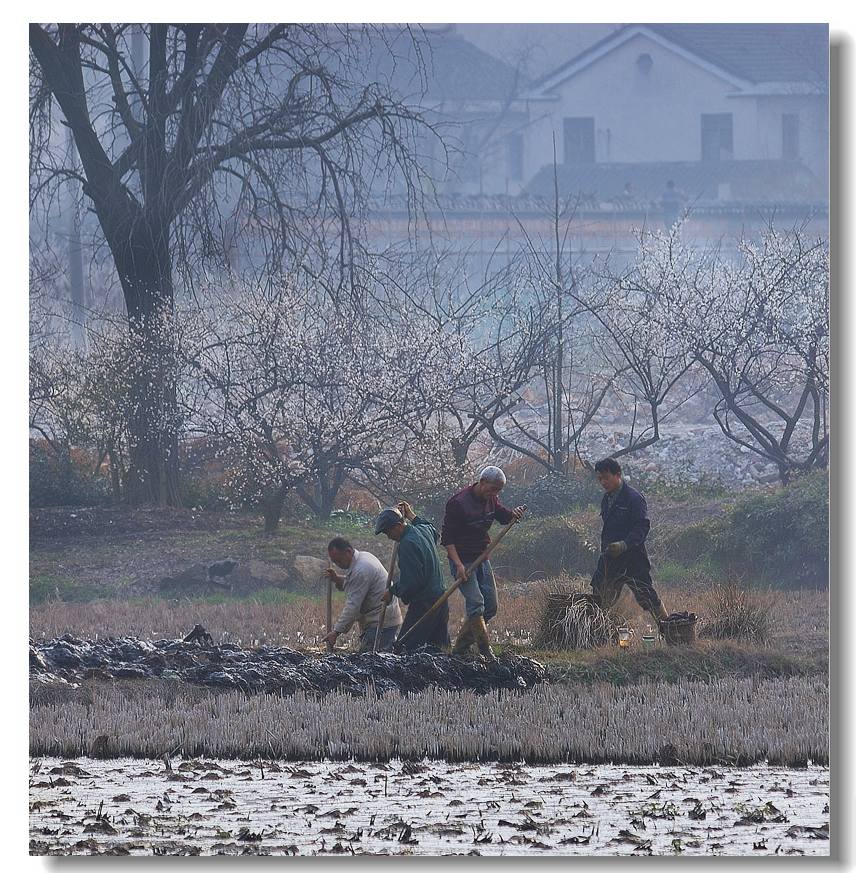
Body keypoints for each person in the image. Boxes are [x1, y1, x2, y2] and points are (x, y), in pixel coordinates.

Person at [440, 466, 526, 660]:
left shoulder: (491, 500)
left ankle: (461, 648)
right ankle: (485, 651)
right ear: (483, 481)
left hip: (482, 558)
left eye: (498, 491)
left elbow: (504, 516)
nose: (495, 494)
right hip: (462, 560)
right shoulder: (458, 503)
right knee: (476, 604)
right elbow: (447, 539)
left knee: (490, 606)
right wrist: (459, 565)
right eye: (493, 489)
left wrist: (515, 513)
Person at [590, 457, 668, 627]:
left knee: (646, 595)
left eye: (606, 477)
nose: (603, 482)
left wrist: (624, 544)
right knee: (599, 593)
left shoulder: (634, 498)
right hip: (610, 558)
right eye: (600, 479)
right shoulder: (607, 499)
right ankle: (598, 631)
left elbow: (642, 526)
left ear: (618, 475)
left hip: (633, 558)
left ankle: (669, 629)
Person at [375, 501, 450, 652]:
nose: (388, 537)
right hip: (441, 600)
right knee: (441, 649)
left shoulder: (407, 544)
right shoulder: (422, 530)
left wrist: (392, 591)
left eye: (388, 532)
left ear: (398, 526)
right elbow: (433, 530)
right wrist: (412, 515)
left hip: (424, 604)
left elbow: (413, 581)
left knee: (404, 649)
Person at [322, 537, 402, 652]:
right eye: (335, 562)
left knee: (373, 662)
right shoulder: (363, 558)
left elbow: (353, 606)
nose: (338, 565)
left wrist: (336, 632)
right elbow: (355, 584)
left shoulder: (361, 569)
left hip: (380, 623)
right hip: (384, 619)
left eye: (339, 560)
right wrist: (337, 579)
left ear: (348, 552)